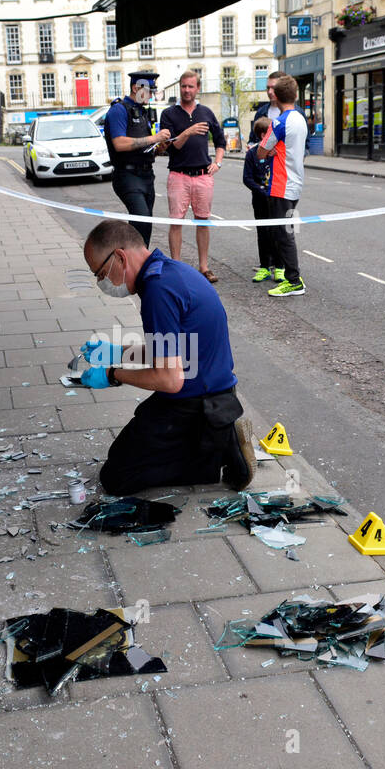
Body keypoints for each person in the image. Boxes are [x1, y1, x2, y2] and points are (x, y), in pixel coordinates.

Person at [78, 219, 258, 494]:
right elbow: (173, 351)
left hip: (197, 402)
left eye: (101, 274)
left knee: (117, 477)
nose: (103, 282)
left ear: (120, 257)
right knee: (128, 449)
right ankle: (213, 438)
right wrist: (119, 352)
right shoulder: (170, 272)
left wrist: (112, 375)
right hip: (213, 391)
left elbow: (169, 378)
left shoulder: (157, 292)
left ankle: (220, 452)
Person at [159, 70, 225, 283]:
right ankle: (176, 267)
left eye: (191, 86)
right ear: (180, 88)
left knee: (203, 221)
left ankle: (204, 267)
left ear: (198, 88)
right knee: (176, 222)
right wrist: (189, 131)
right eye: (184, 86)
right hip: (178, 174)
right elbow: (172, 147)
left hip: (203, 175)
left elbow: (221, 141)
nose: (187, 90)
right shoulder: (169, 114)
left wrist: (218, 163)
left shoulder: (206, 112)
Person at [104, 71, 171, 246]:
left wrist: (159, 148)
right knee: (141, 219)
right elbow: (119, 143)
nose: (151, 95)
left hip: (146, 176)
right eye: (148, 91)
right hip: (127, 176)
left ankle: (138, 264)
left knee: (145, 223)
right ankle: (128, 261)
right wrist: (154, 138)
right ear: (136, 88)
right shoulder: (118, 110)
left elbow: (144, 147)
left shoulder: (142, 112)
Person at [258, 74, 309, 297]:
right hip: (295, 183)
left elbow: (261, 151)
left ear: (276, 96)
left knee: (283, 233)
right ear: (296, 95)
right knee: (287, 230)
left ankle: (293, 280)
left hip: (280, 184)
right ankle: (293, 274)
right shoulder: (300, 118)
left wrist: (270, 150)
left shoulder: (278, 122)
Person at [243, 116, 278, 283]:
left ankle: (279, 267)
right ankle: (264, 267)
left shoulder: (277, 152)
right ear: (264, 134)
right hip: (260, 200)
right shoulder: (252, 154)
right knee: (263, 233)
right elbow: (247, 178)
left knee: (278, 233)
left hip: (276, 199)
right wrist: (261, 190)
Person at [246, 70, 288, 152]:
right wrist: (251, 146)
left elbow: (304, 146)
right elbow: (253, 139)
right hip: (264, 163)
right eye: (268, 88)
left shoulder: (296, 113)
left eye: (273, 88)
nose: (270, 92)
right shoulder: (261, 112)